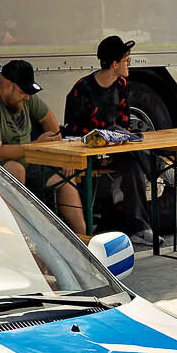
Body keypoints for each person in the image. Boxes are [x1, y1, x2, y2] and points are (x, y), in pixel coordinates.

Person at [0, 59, 87, 236]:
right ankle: (23, 237)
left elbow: (48, 119)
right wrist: (33, 148)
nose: (27, 97)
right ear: (8, 85)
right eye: (23, 92)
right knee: (15, 169)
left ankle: (82, 241)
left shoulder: (22, 93)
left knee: (65, 177)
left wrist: (60, 153)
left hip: (24, 160)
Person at [63, 35, 155, 244]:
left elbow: (124, 125)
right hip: (87, 152)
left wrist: (113, 146)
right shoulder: (82, 88)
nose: (129, 64)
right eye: (126, 60)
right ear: (114, 64)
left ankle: (139, 227)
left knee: (133, 164)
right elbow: (73, 132)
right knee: (128, 144)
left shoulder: (121, 84)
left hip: (114, 150)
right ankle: (159, 167)